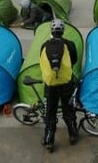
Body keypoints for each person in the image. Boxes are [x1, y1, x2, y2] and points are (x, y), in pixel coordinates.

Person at [39, 19, 79, 152]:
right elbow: (74, 60)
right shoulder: (70, 44)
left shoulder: (44, 45)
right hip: (66, 83)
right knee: (68, 110)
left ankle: (49, 141)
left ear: (52, 30)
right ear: (63, 31)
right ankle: (73, 135)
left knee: (51, 111)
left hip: (51, 85)